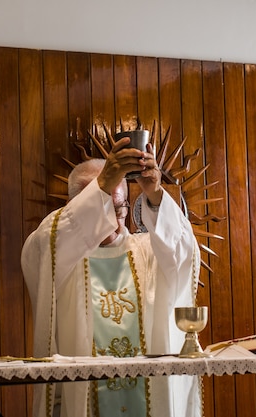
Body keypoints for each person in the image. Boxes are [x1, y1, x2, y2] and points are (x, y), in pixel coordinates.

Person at [21, 135, 202, 417]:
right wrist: (103, 183)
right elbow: (42, 246)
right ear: (78, 208)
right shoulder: (58, 253)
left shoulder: (148, 252)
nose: (113, 219)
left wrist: (155, 193)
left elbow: (183, 253)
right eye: (101, 205)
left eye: (119, 208)